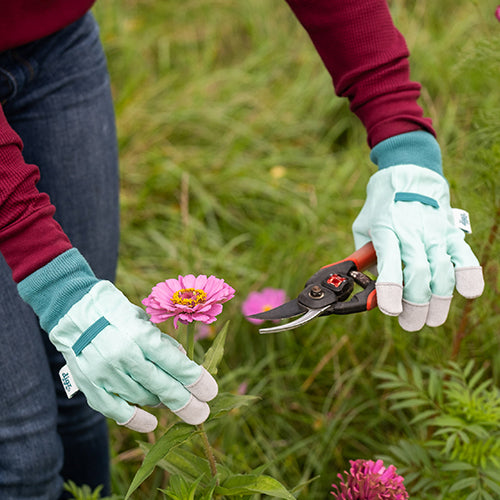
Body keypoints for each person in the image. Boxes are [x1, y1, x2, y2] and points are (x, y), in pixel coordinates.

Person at [0, 1, 484, 499]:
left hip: (56, 41)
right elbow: (55, 280)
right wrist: (56, 281)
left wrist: (404, 141)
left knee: (83, 395)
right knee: (22, 454)